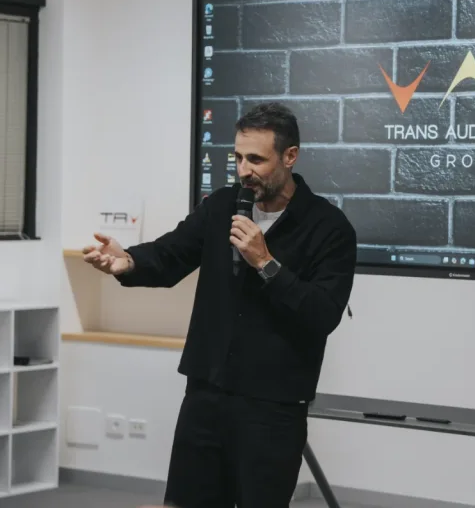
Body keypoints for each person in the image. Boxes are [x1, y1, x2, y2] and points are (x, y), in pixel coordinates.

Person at [83, 102, 358, 507]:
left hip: (273, 407)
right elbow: (171, 254)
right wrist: (128, 261)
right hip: (205, 395)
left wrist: (265, 262)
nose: (244, 170)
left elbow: (322, 313)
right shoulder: (222, 206)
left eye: (256, 160)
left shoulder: (329, 228)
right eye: (238, 157)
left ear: (290, 156)